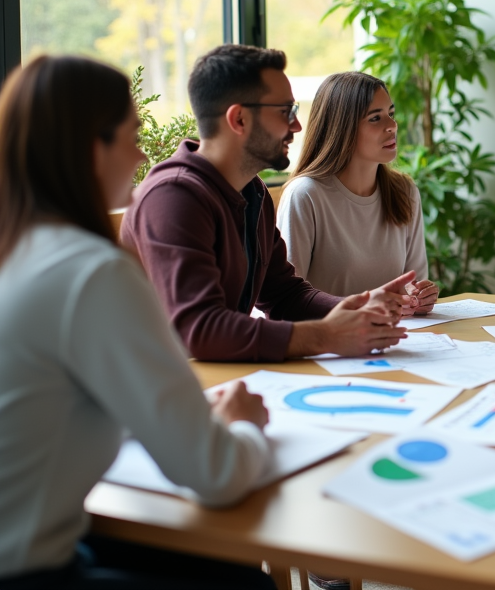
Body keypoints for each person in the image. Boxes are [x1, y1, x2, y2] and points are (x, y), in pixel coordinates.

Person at [0, 56, 276, 590]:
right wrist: (244, 423)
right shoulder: (92, 273)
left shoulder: (20, 252)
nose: (141, 155)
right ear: (88, 149)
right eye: (130, 136)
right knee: (243, 583)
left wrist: (191, 417)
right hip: (28, 570)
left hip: (35, 542)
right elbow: (215, 475)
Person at [121, 44, 409, 362]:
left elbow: (284, 294)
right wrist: (328, 335)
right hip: (164, 390)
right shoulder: (173, 197)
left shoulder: (251, 191)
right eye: (286, 112)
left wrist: (353, 307)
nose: (297, 126)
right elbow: (200, 330)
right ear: (239, 119)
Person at [277, 71, 438, 315]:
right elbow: (286, 301)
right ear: (342, 127)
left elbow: (412, 285)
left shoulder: (405, 191)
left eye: (390, 114)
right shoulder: (306, 195)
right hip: (329, 345)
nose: (392, 126)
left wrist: (420, 298)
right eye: (375, 118)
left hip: (397, 340)